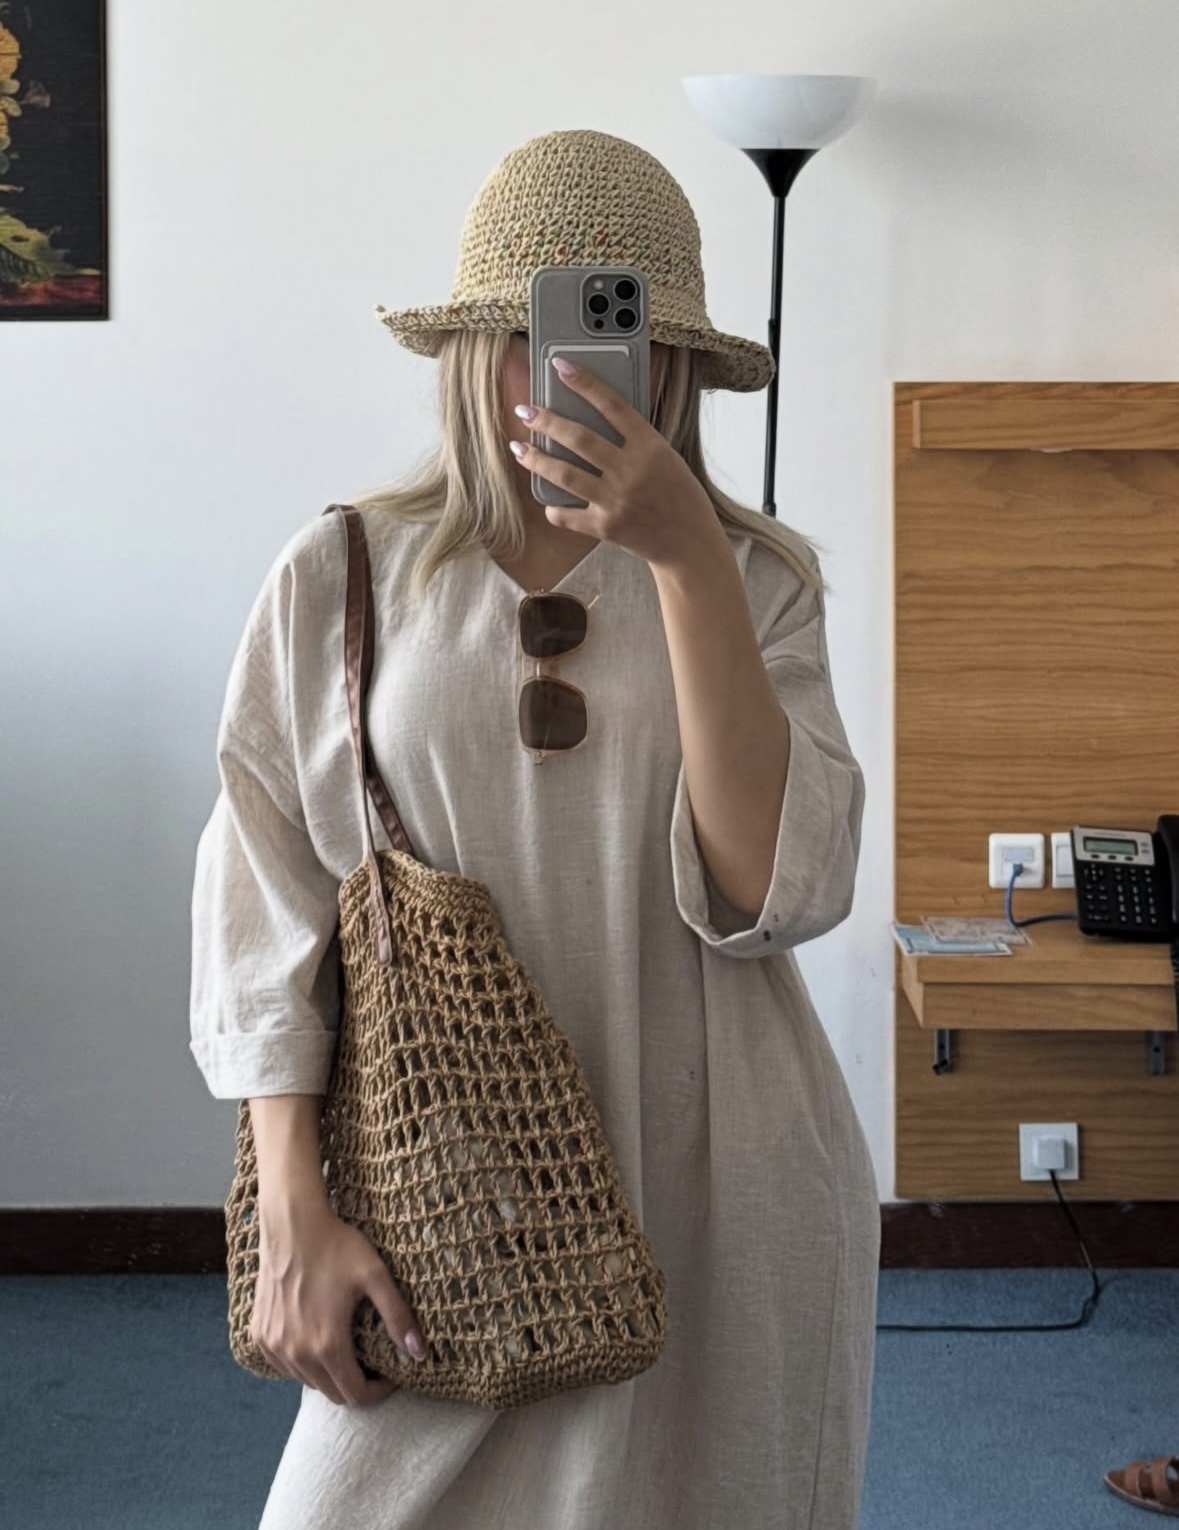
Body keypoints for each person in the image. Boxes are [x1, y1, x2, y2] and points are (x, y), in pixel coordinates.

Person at [189, 127, 879, 1530]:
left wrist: (685, 558)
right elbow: (264, 898)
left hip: (723, 1182)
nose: (563, 373)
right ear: (467, 350)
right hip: (444, 1178)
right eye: (527, 334)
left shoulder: (756, 582)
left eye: (621, 337)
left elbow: (775, 888)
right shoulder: (346, 573)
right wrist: (291, 1205)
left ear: (674, 366)